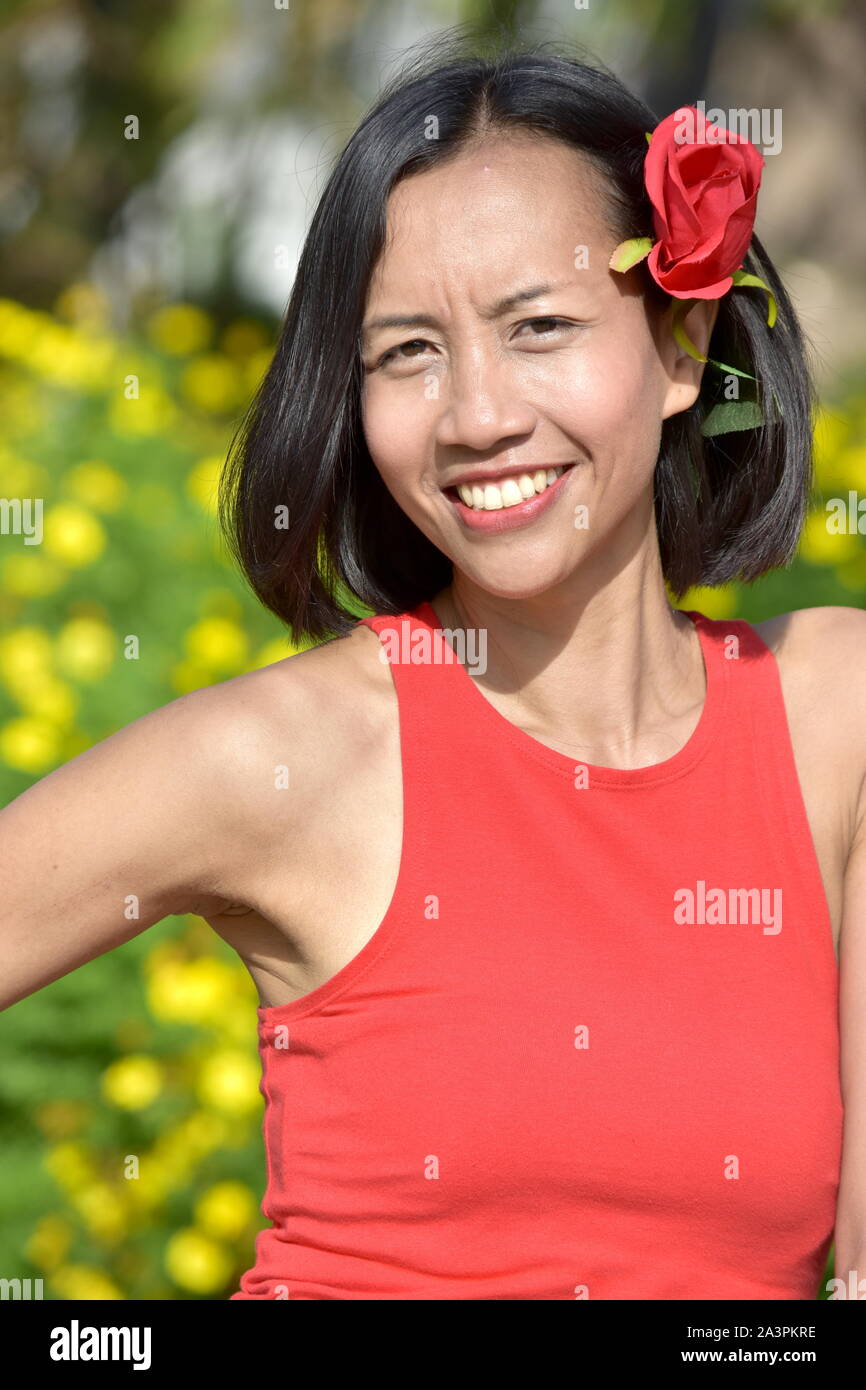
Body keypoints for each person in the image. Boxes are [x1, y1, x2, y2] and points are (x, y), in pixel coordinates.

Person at [2, 38, 864, 1301]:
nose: (473, 416)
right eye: (406, 352)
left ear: (681, 348)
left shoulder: (832, 711)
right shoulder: (290, 754)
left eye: (539, 327)